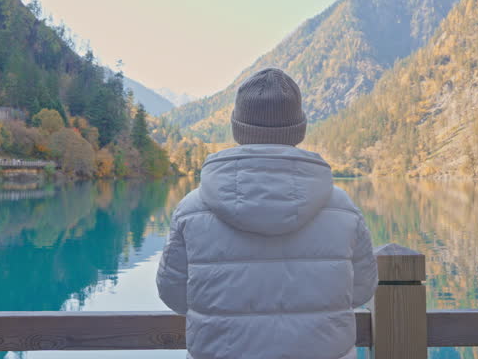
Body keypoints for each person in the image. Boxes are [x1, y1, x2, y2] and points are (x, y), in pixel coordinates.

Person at [157, 68, 378, 359]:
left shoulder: (192, 208)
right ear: (299, 129)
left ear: (238, 128)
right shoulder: (342, 208)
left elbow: (173, 293)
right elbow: (361, 290)